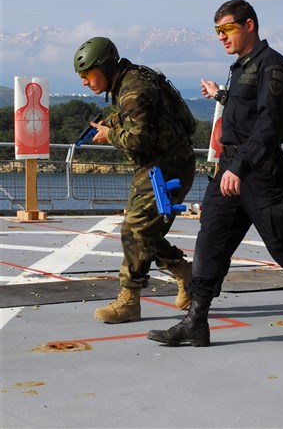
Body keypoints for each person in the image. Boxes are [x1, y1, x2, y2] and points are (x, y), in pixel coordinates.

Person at [147, 0, 283, 347]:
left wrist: (241, 167)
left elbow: (269, 125)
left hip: (260, 173)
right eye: (217, 31)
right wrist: (222, 96)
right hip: (230, 168)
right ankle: (196, 320)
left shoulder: (273, 67)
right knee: (211, 240)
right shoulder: (241, 67)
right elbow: (247, 111)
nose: (221, 37)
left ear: (248, 25)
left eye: (227, 29)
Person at [73, 37, 196, 323]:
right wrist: (112, 124)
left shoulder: (132, 88)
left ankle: (130, 300)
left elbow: (138, 137)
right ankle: (183, 272)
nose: (84, 82)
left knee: (135, 230)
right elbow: (137, 117)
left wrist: (109, 135)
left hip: (167, 168)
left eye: (88, 74)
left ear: (104, 67)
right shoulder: (130, 79)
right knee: (143, 230)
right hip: (164, 165)